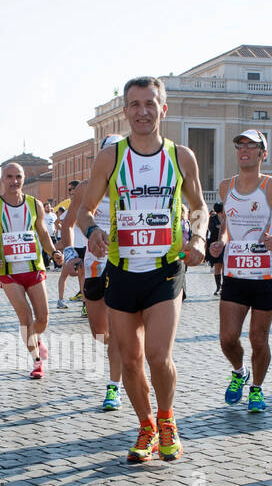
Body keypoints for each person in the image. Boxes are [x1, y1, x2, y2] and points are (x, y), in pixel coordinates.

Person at [76, 77, 207, 463]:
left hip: (165, 271)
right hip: (121, 269)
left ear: (163, 109)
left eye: (150, 103)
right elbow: (84, 209)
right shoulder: (111, 157)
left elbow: (198, 207)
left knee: (156, 354)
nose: (143, 111)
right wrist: (93, 231)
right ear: (125, 111)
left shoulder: (181, 157)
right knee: (130, 360)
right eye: (134, 104)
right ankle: (146, 425)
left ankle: (167, 420)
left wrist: (198, 238)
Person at [210, 129, 272, 414]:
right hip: (235, 273)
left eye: (251, 146)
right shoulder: (226, 187)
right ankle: (239, 371)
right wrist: (220, 243)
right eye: (239, 145)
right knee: (227, 338)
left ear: (263, 153)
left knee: (259, 339)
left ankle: (256, 388)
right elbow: (225, 225)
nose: (244, 149)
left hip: (267, 275)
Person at [0, 162, 62, 380]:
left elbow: (43, 234)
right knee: (25, 317)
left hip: (34, 268)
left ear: (23, 179)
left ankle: (36, 339)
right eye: (9, 177)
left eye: (18, 177)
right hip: (9, 272)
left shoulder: (35, 205)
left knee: (42, 319)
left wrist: (53, 253)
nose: (14, 181)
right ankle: (36, 361)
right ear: (2, 180)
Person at [59, 157, 125, 409]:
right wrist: (70, 255)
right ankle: (119, 353)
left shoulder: (132, 185)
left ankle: (113, 386)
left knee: (119, 330)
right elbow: (67, 225)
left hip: (125, 265)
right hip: (93, 266)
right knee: (100, 334)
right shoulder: (86, 188)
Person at [206, 201, 225, 294]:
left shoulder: (227, 218)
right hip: (216, 245)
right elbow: (211, 228)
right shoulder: (213, 218)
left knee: (225, 266)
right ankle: (218, 287)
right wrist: (220, 227)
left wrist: (220, 227)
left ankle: (225, 287)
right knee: (217, 266)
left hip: (225, 245)